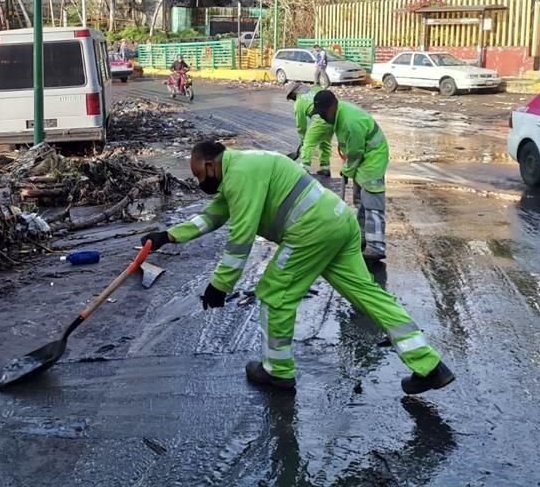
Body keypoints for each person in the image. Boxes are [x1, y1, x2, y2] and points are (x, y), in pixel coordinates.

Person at [141, 141, 455, 394]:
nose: (199, 182)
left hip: (311, 231)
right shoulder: (242, 168)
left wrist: (220, 285)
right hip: (338, 221)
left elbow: (241, 237)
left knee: (275, 292)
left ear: (211, 164)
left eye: (198, 175)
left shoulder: (240, 175)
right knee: (368, 294)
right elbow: (212, 216)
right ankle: (429, 365)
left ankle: (277, 371)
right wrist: (167, 236)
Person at [312, 90, 388, 261]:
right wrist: (348, 169)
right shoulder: (339, 115)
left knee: (372, 202)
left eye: (324, 112)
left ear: (333, 106)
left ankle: (376, 247)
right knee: (360, 200)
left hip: (373, 159)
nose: (323, 117)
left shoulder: (350, 122)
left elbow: (355, 152)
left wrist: (347, 170)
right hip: (363, 157)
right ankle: (362, 238)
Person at [284, 81, 333, 177]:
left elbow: (301, 126)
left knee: (308, 143)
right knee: (325, 142)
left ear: (293, 93)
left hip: (320, 120)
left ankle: (304, 168)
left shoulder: (299, 103)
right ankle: (325, 168)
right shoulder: (315, 89)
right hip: (332, 118)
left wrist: (303, 139)